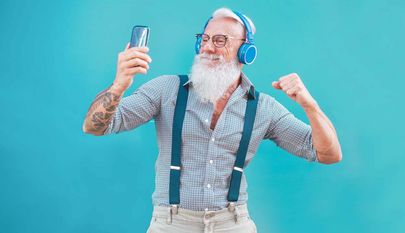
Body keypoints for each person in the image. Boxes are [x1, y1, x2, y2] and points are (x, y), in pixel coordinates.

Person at [82, 7, 342, 233]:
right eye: (204, 39)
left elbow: (327, 153)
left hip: (233, 224)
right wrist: (119, 85)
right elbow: (96, 127)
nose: (207, 47)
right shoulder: (166, 91)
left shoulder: (263, 108)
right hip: (172, 224)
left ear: (246, 52)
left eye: (220, 40)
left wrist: (310, 106)